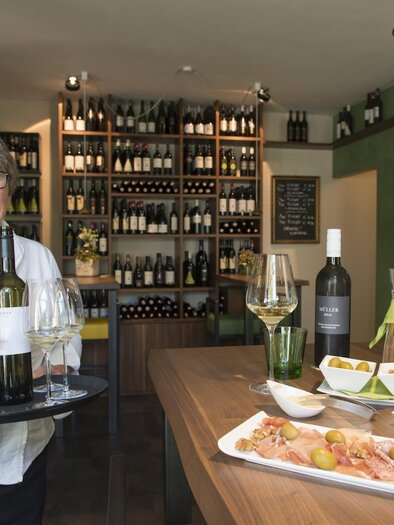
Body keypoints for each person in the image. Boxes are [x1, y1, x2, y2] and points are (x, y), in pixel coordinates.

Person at [0, 139, 82, 525]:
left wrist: (52, 373)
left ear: (9, 188)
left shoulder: (37, 257)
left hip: (24, 451)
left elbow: (65, 341)